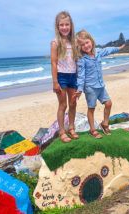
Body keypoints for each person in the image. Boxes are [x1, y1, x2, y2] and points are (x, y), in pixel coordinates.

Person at [74, 30, 125, 138]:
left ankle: (105, 123)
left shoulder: (97, 52)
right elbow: (81, 76)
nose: (86, 46)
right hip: (90, 88)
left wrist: (118, 48)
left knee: (109, 103)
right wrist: (79, 89)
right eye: (82, 45)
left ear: (91, 41)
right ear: (79, 47)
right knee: (91, 108)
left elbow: (107, 50)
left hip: (101, 86)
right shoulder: (82, 59)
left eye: (87, 42)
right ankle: (92, 129)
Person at [50, 11, 79, 143]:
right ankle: (62, 131)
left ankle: (71, 127)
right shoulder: (55, 42)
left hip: (73, 75)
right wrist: (55, 82)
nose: (64, 27)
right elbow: (54, 62)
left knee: (73, 103)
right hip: (61, 77)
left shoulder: (74, 42)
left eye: (67, 24)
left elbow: (77, 60)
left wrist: (80, 78)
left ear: (71, 25)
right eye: (61, 25)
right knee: (63, 105)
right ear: (57, 27)